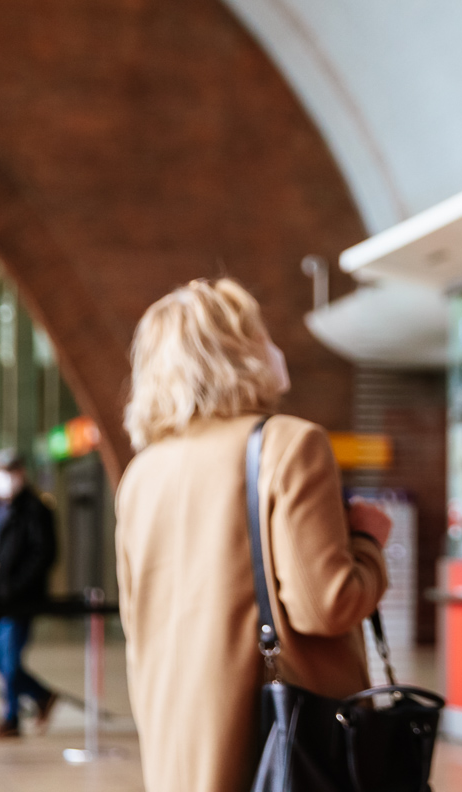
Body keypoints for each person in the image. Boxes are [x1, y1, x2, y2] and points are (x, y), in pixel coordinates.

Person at [115, 278, 392, 792]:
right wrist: (369, 543)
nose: (275, 346)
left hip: (176, 736)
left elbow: (137, 616)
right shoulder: (289, 445)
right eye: (260, 333)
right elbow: (327, 604)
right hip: (270, 739)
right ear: (237, 351)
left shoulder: (141, 473)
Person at [0, 446, 58, 739]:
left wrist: (16, 585)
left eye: (11, 471)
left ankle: (10, 718)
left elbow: (44, 554)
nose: (6, 478)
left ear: (21, 473)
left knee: (8, 657)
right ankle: (41, 695)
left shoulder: (35, 509)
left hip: (18, 599)